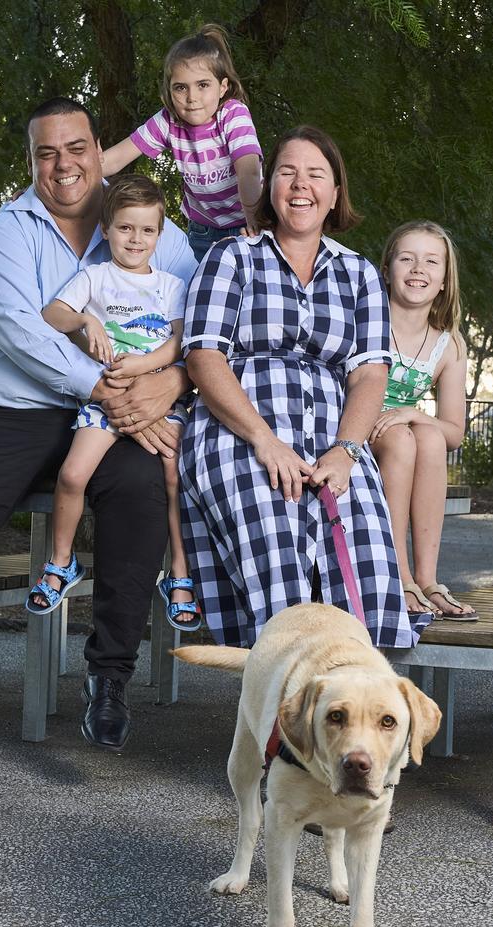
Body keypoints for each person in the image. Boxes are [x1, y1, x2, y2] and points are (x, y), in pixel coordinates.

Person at [0, 98, 197, 794]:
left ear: (99, 148)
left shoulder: (154, 229)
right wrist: (109, 390)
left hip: (110, 412)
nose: (64, 165)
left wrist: (170, 382)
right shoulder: (5, 233)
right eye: (46, 153)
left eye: (77, 147)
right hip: (10, 407)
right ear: (31, 161)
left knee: (144, 491)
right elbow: (20, 333)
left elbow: (199, 316)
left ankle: (108, 679)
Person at [178, 125, 431, 651]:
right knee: (276, 545)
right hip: (239, 429)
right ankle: (283, 711)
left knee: (365, 560)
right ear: (269, 186)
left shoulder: (358, 273)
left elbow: (368, 375)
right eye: (287, 172)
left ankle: (353, 716)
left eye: (316, 174)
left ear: (335, 193)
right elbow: (204, 358)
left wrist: (346, 451)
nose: (300, 185)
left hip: (332, 437)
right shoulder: (231, 257)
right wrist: (265, 440)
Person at [25, 174, 201, 631]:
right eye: (125, 228)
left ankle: (180, 574)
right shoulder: (95, 277)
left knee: (172, 478)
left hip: (158, 401)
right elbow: (51, 315)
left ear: (160, 235)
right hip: (104, 404)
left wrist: (143, 369)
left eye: (146, 231)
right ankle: (61, 563)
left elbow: (180, 344)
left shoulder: (169, 285)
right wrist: (86, 320)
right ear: (107, 229)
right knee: (71, 474)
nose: (135, 239)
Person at [368, 221, 478, 621]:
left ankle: (428, 579)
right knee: (402, 439)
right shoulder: (367, 319)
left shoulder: (449, 345)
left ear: (445, 280)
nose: (418, 269)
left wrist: (415, 413)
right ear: (387, 269)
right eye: (407, 258)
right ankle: (398, 576)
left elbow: (453, 432)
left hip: (403, 433)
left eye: (431, 261)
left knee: (427, 437)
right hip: (356, 426)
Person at [102, 23, 263, 261]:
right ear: (169, 91)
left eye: (203, 85)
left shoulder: (233, 114)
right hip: (203, 230)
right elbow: (113, 160)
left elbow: (248, 172)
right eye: (180, 88)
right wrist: (49, 185)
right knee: (199, 291)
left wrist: (255, 223)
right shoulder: (169, 121)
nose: (191, 98)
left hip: (247, 221)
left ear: (222, 87)